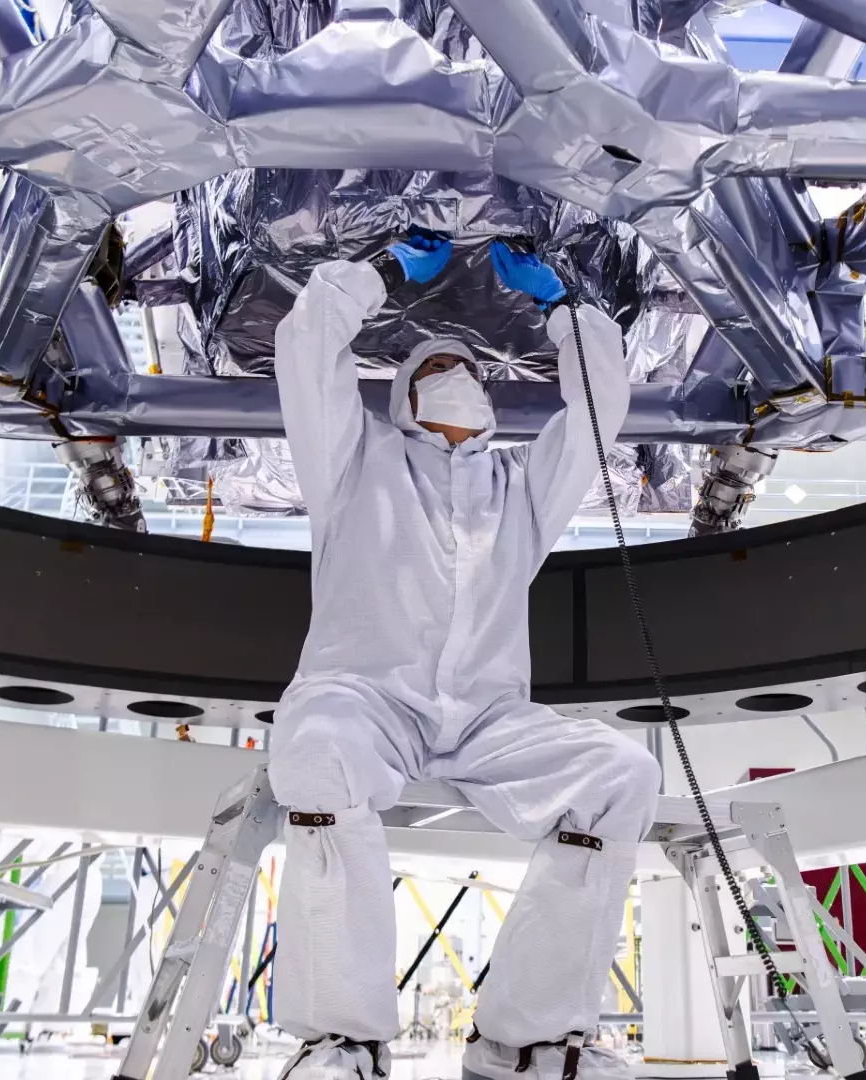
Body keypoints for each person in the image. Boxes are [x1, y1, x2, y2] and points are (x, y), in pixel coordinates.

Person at [267, 231, 662, 1080]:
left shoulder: (518, 489)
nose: (463, 376)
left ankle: (526, 1041)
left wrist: (564, 312)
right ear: (402, 395)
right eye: (438, 366)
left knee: (622, 775)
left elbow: (600, 409)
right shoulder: (354, 463)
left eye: (474, 370)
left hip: (490, 719)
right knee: (318, 747)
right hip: (365, 699)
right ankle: (343, 1039)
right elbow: (306, 346)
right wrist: (377, 273)